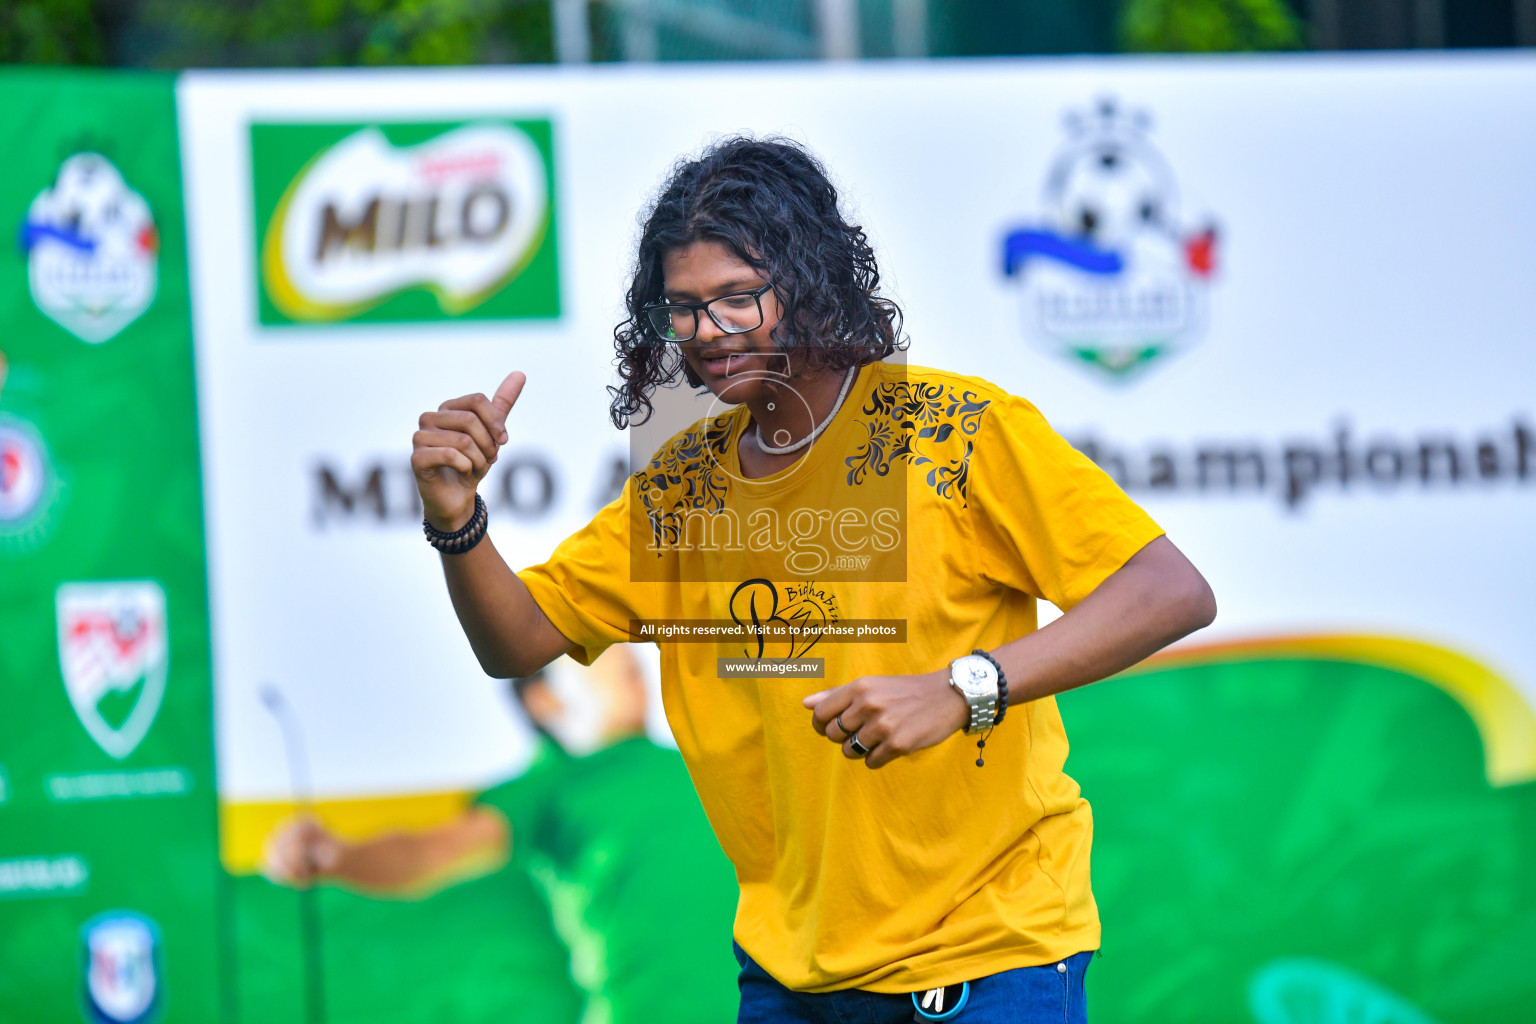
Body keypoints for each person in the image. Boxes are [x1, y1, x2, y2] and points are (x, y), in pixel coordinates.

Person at [409, 137, 1217, 1024]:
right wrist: (457, 519)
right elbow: (517, 640)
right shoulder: (682, 488)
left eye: (736, 299)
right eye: (682, 309)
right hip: (792, 976)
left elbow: (1168, 590)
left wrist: (964, 689)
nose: (707, 334)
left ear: (812, 279)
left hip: (986, 955)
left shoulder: (952, 430)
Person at [262, 645, 740, 1024]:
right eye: (588, 647)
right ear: (545, 699)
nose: (621, 653)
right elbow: (433, 852)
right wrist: (340, 856)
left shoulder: (703, 764)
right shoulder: (549, 787)